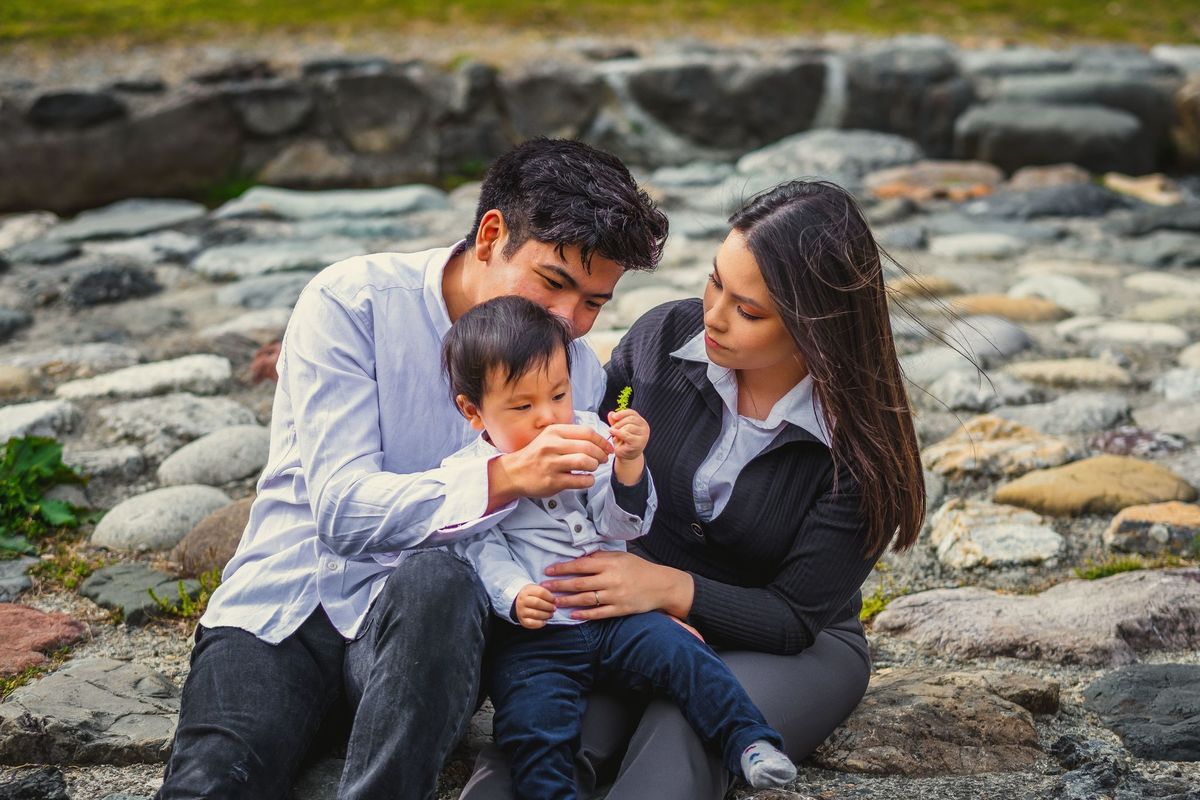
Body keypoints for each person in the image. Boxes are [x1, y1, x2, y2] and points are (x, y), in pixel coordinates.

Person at [155, 138, 669, 800]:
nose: (569, 323)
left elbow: (574, 530)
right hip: (286, 608)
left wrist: (651, 599)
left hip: (434, 638)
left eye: (594, 302)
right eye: (554, 283)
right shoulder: (354, 302)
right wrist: (507, 477)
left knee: (438, 577)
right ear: (491, 236)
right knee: (211, 784)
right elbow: (340, 511)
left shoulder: (577, 371)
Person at [461, 180, 927, 800]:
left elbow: (793, 616)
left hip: (789, 641)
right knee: (538, 741)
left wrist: (671, 590)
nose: (713, 315)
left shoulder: (861, 448)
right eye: (715, 283)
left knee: (683, 733)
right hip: (622, 613)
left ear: (818, 325)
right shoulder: (662, 339)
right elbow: (586, 458)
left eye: (749, 311)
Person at [438, 295, 797, 800]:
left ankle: (749, 739)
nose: (547, 417)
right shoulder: (470, 476)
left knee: (685, 654)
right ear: (474, 411)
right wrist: (516, 594)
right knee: (529, 721)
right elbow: (479, 550)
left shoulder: (590, 433)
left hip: (616, 616)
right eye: (522, 406)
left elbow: (625, 523)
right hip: (537, 637)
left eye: (558, 395)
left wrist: (628, 464)